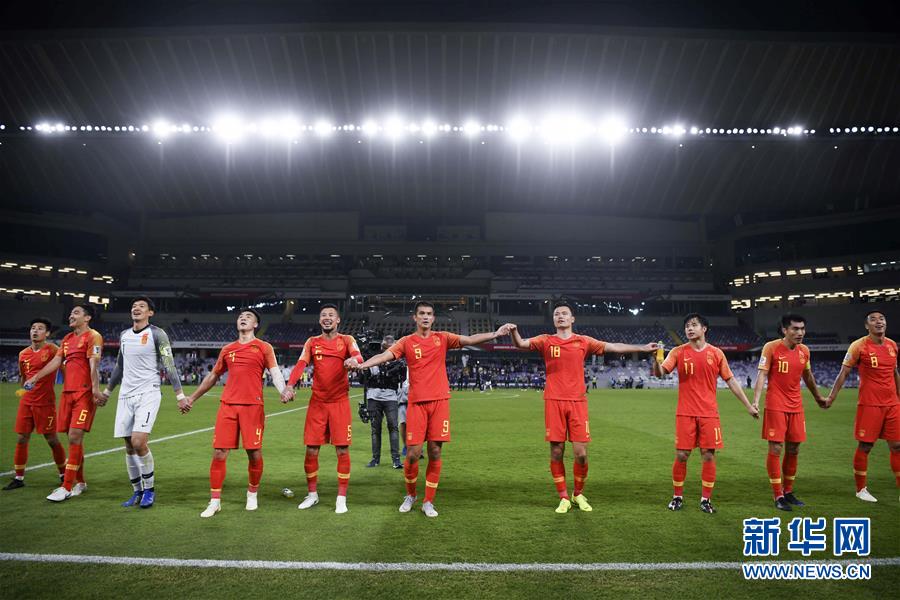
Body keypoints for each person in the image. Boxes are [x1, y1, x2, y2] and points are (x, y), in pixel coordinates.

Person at [353, 301, 511, 517]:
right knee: (412, 454)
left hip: (439, 402)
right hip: (417, 404)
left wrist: (496, 333)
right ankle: (410, 495)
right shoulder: (407, 341)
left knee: (435, 452)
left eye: (429, 314)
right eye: (421, 314)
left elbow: (470, 339)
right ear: (415, 318)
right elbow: (384, 356)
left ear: (433, 318)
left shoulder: (443, 338)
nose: (425, 317)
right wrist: (363, 365)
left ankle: (428, 501)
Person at [509, 301, 659, 513]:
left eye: (564, 313)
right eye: (557, 314)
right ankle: (563, 497)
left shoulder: (583, 341)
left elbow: (612, 347)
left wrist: (642, 348)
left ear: (572, 319)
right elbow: (520, 344)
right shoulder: (545, 340)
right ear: (554, 320)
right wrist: (514, 332)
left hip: (578, 402)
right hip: (554, 401)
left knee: (581, 454)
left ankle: (578, 494)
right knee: (556, 451)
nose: (560, 316)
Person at [179, 308, 285, 517]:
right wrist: (192, 397)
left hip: (252, 407)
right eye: (240, 317)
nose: (243, 318)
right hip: (228, 405)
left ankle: (252, 494)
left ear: (256, 325)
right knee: (219, 453)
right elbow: (213, 376)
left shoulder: (263, 347)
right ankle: (215, 501)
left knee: (254, 453)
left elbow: (275, 372)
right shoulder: (228, 349)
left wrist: (283, 390)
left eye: (248, 317)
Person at [652, 313, 759, 513]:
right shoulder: (677, 351)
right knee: (682, 455)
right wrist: (656, 360)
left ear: (704, 329)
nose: (689, 329)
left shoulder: (717, 353)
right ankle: (677, 497)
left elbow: (731, 381)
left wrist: (748, 405)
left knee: (708, 455)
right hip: (685, 413)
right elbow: (660, 374)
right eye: (687, 326)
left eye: (694, 325)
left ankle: (705, 500)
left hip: (709, 413)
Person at [101, 297, 185, 509]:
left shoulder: (157, 334)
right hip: (125, 395)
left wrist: (180, 395)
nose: (136, 309)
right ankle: (137, 492)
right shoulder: (124, 335)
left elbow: (169, 364)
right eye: (133, 306)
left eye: (141, 307)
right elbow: (119, 366)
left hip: (148, 392)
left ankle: (149, 490)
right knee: (129, 446)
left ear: (150, 313)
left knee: (139, 442)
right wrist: (108, 391)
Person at [283, 304, 363, 514]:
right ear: (320, 321)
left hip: (339, 403)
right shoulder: (312, 342)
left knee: (342, 450)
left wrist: (354, 360)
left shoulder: (347, 340)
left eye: (331, 315)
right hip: (317, 403)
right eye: (323, 315)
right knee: (311, 449)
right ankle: (312, 495)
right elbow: (301, 364)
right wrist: (290, 386)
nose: (327, 318)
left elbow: (358, 356)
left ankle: (341, 498)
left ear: (338, 320)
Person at [24, 305, 105, 502]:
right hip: (67, 394)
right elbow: (55, 362)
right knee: (72, 438)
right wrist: (35, 377)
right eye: (71, 313)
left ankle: (66, 486)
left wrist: (95, 389)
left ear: (87, 318)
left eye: (76, 312)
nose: (71, 315)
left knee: (75, 436)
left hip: (84, 394)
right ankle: (81, 482)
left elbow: (94, 363)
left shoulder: (93, 336)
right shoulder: (67, 339)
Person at [823, 310, 899, 503]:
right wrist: (831, 397)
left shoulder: (892, 346)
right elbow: (843, 373)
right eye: (873, 320)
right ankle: (861, 489)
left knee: (897, 446)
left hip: (892, 404)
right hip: (870, 404)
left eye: (882, 318)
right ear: (867, 326)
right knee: (865, 445)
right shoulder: (858, 346)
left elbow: (895, 373)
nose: (878, 322)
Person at [751, 314, 825, 511]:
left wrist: (818, 397)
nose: (799, 333)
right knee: (776, 449)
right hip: (776, 405)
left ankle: (789, 491)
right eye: (795, 329)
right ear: (785, 330)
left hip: (796, 406)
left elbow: (808, 376)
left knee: (794, 449)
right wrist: (756, 401)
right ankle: (778, 496)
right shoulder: (771, 347)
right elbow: (762, 374)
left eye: (802, 329)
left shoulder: (805, 351)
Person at [3, 318, 66, 490]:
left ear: (47, 333)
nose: (35, 331)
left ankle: (63, 474)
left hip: (45, 403)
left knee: (52, 439)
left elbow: (64, 369)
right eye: (33, 328)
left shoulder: (53, 349)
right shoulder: (23, 354)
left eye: (40, 328)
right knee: (22, 437)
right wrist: (23, 390)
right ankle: (18, 477)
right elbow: (23, 377)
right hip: (27, 402)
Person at [362, 335, 404, 469]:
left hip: (390, 397)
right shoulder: (373, 359)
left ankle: (396, 459)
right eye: (385, 348)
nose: (386, 350)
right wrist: (367, 369)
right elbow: (363, 380)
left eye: (389, 348)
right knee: (375, 429)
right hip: (374, 396)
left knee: (393, 427)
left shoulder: (397, 362)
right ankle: (376, 459)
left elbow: (400, 379)